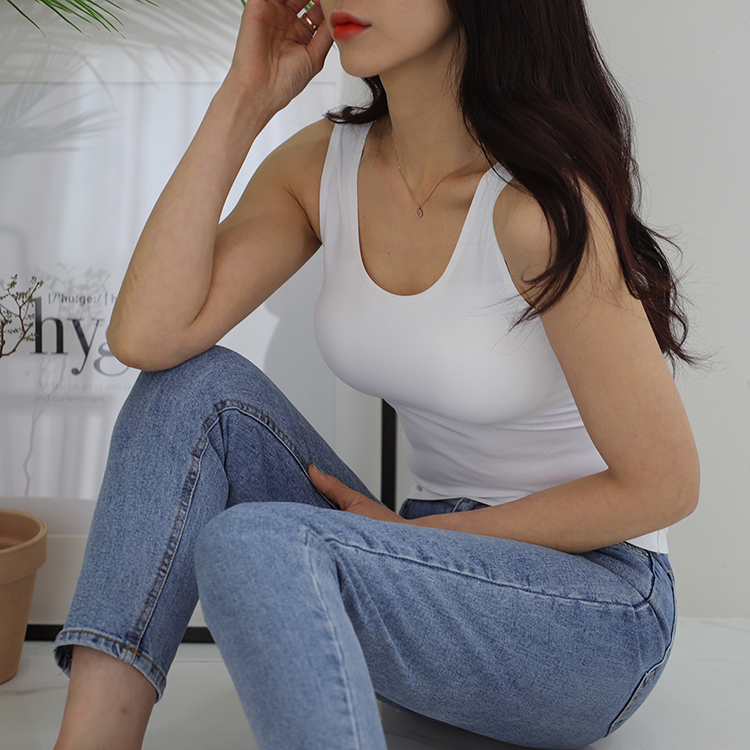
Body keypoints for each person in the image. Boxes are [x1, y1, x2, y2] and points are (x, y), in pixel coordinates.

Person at [52, 1, 701, 749]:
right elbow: (147, 337)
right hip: (425, 567)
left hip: (594, 608)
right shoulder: (322, 167)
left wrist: (428, 538)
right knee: (187, 390)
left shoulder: (536, 209)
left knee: (256, 544)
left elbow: (664, 485)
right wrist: (244, 99)